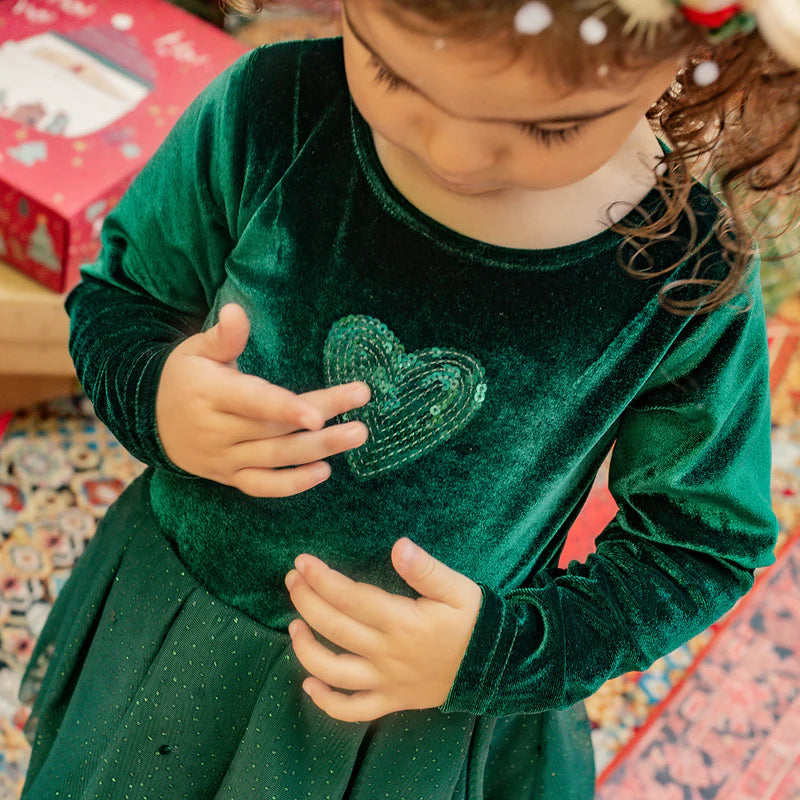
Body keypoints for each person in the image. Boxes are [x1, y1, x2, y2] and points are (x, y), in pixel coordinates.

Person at [18, 1, 800, 797]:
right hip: (173, 638)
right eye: (392, 74)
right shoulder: (271, 108)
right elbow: (124, 296)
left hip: (412, 731)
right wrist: (155, 397)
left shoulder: (684, 276)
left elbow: (702, 545)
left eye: (548, 128)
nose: (452, 154)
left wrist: (505, 653)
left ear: (680, 55)